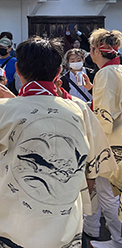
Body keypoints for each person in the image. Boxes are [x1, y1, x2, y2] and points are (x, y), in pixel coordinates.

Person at [0, 36, 116, 248]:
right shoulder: (79, 110)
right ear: (58, 72)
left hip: (11, 225)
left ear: (18, 70)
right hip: (62, 224)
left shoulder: (1, 110)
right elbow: (95, 166)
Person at [88, 29, 122, 248]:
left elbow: (104, 116)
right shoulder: (118, 70)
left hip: (110, 143)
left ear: (96, 50)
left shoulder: (106, 74)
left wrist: (93, 144)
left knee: (107, 193)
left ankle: (117, 239)